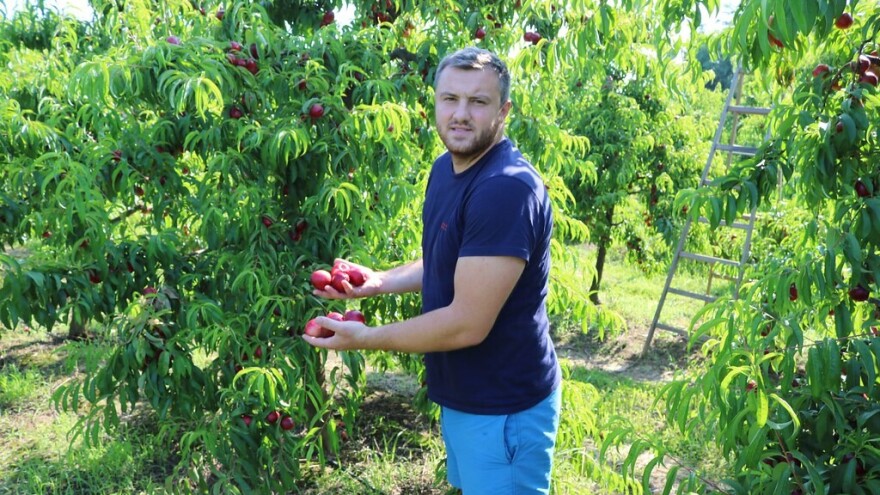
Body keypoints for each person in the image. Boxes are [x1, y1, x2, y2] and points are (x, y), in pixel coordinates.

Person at [303, 46, 561, 495]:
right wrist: (379, 282)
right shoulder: (447, 169)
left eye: (478, 102)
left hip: (503, 407)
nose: (461, 114)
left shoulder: (506, 190)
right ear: (435, 103)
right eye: (450, 99)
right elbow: (452, 258)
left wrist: (365, 339)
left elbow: (466, 324)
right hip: (465, 396)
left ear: (504, 111)